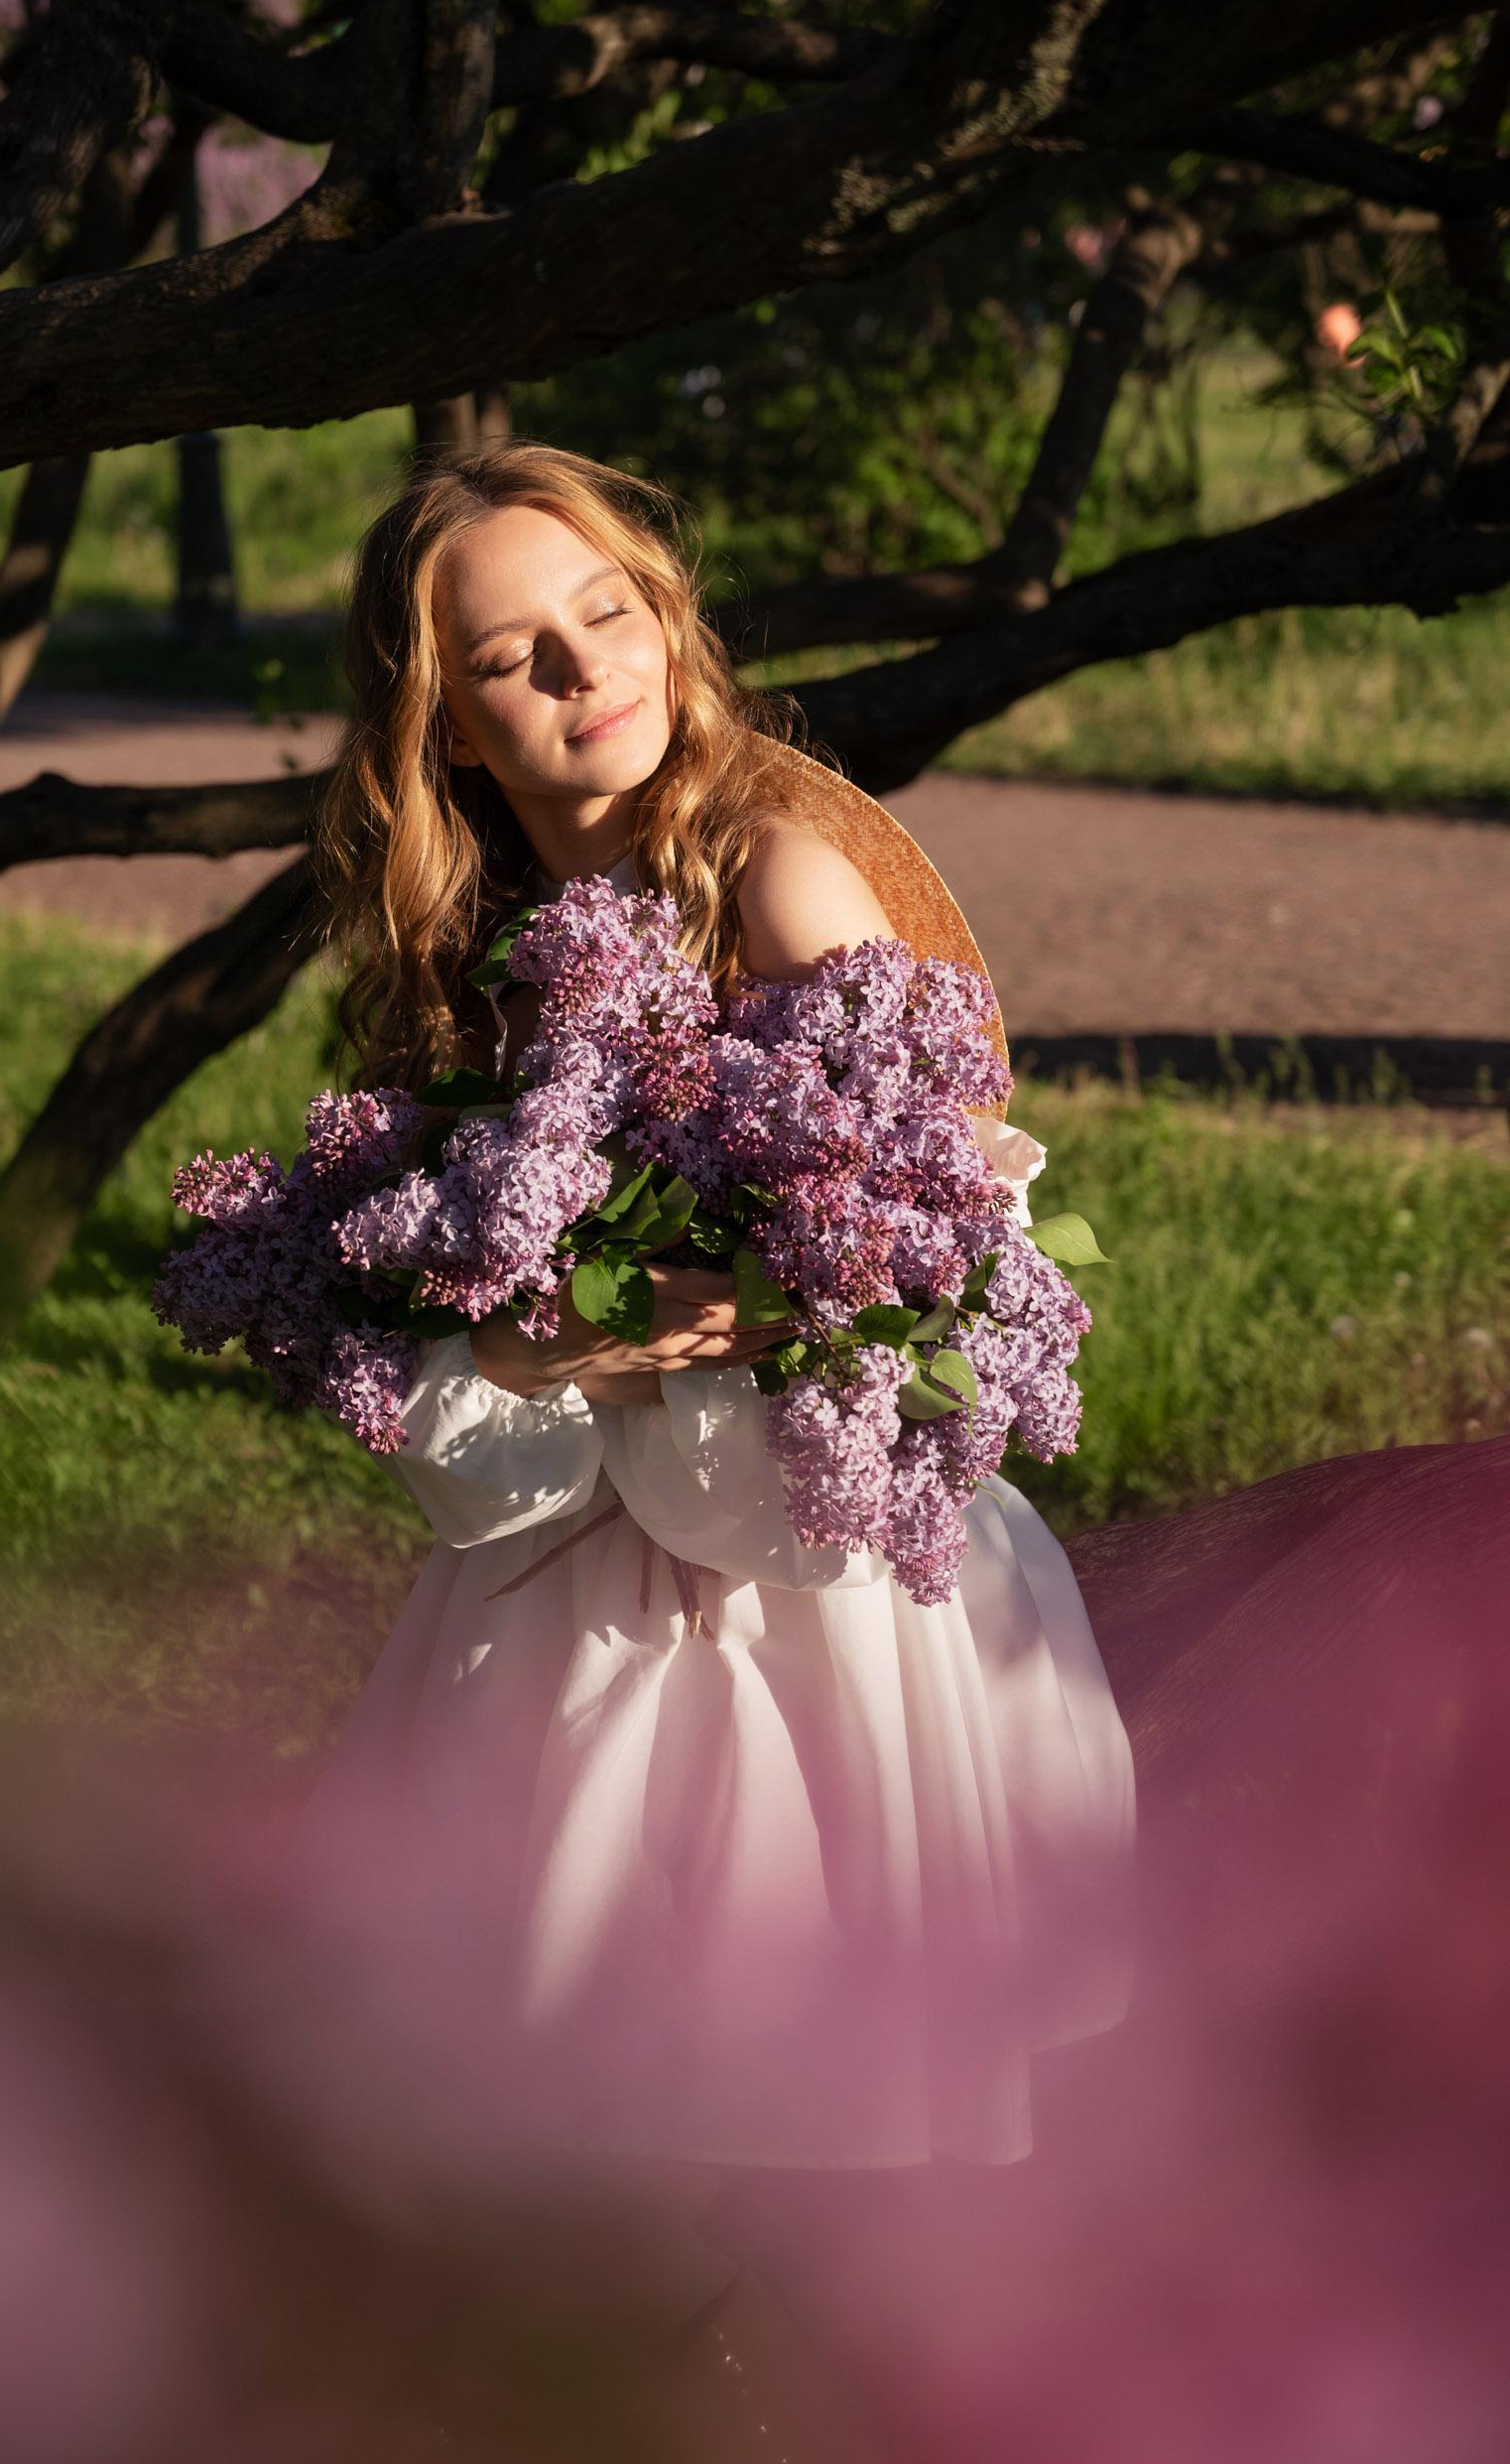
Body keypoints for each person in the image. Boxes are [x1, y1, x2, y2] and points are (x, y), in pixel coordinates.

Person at [306, 442, 1135, 2252]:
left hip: (813, 1596)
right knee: (580, 2110)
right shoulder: (471, 959)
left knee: (798, 2107)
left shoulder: (769, 877)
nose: (584, 668)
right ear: (452, 731)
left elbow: (949, 1230)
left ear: (665, 626)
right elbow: (442, 1319)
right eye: (516, 656)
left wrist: (758, 1300)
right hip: (577, 1575)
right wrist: (524, 1345)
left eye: (607, 614)